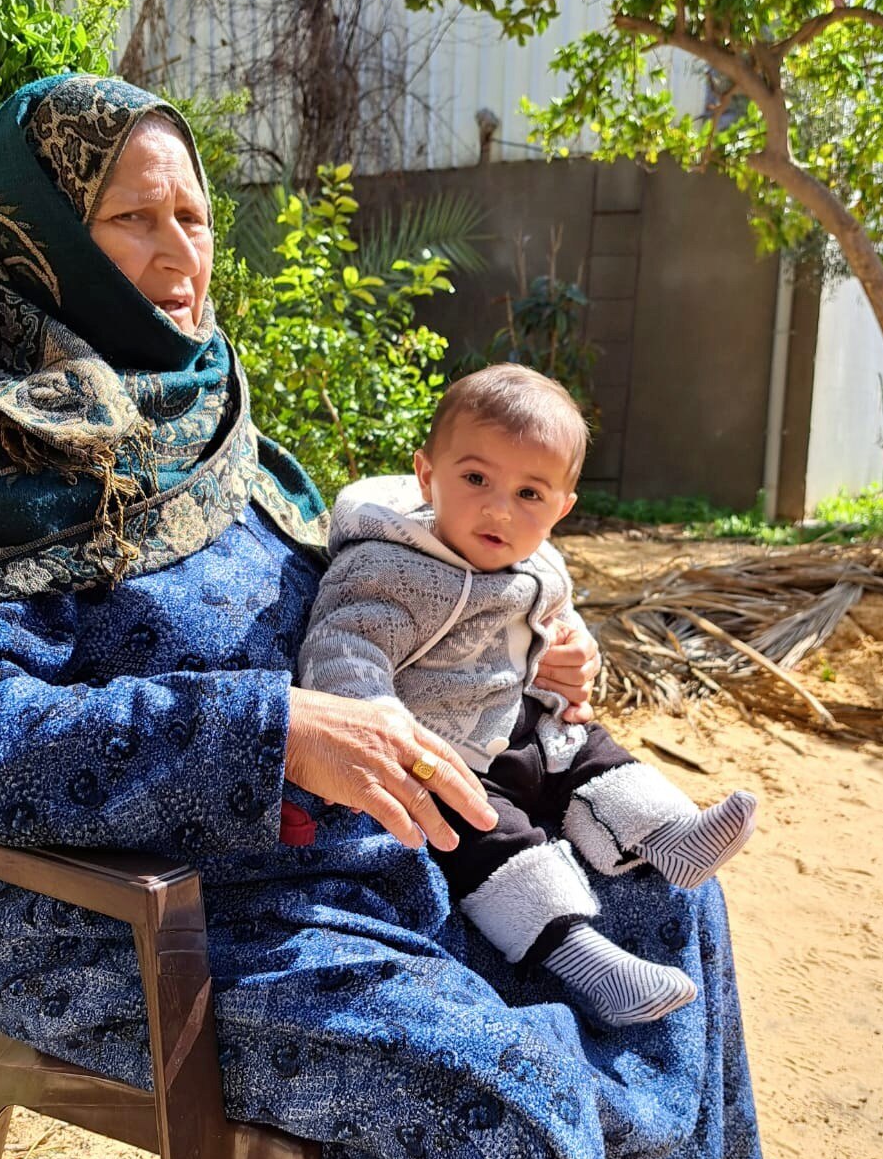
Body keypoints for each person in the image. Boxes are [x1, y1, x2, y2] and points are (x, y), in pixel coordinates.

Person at [0, 74, 783, 1159]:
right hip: (146, 926)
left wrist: (518, 646)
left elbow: (358, 595)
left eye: (193, 215)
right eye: (131, 220)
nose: (179, 254)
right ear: (34, 236)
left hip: (347, 842)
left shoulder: (191, 403)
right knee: (497, 1088)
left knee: (663, 905)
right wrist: (264, 733)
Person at [298, 365, 758, 1026]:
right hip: (446, 757)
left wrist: (574, 652)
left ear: (562, 509)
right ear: (427, 475)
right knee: (489, 839)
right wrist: (381, 721)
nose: (499, 509)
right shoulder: (388, 566)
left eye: (529, 493)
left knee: (594, 752)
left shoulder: (538, 565)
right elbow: (344, 648)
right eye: (475, 479)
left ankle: (670, 833)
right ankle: (593, 965)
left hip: (527, 729)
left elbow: (559, 629)